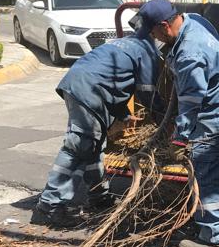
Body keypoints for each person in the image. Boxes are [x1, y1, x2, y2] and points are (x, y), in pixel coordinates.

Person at [136, 0, 219, 247]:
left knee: (203, 174)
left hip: (215, 116)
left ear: (165, 26)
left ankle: (213, 235)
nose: (153, 37)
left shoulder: (189, 54)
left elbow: (190, 102)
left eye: (153, 32)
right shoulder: (196, 21)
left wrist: (179, 138)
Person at [34, 35, 163, 227]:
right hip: (88, 90)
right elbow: (147, 93)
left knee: (94, 144)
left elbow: (112, 80)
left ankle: (98, 196)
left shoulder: (127, 43)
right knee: (78, 146)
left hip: (78, 84)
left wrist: (125, 115)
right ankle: (49, 206)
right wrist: (163, 121)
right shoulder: (147, 53)